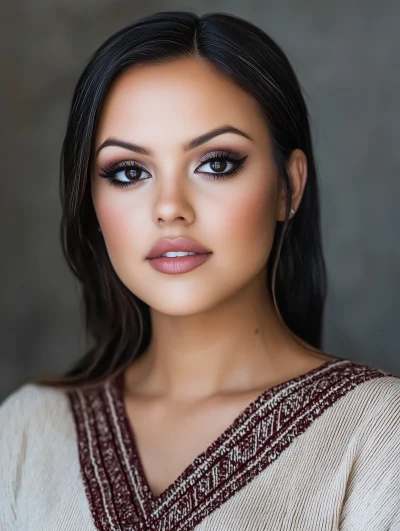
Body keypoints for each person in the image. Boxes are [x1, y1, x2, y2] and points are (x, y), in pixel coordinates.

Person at [0, 10, 399, 531]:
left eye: (216, 163)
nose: (169, 207)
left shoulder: (377, 434)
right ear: (90, 200)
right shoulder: (27, 431)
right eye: (128, 171)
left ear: (288, 187)